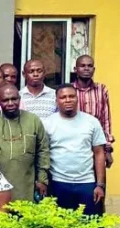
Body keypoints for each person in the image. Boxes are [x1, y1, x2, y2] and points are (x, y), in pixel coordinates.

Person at [44, 84, 106, 216]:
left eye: (71, 96)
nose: (67, 100)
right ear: (57, 101)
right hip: (58, 182)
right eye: (63, 97)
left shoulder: (92, 122)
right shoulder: (47, 123)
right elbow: (43, 153)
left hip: (87, 183)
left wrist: (100, 185)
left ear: (77, 99)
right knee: (61, 227)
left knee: (91, 225)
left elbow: (99, 153)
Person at [0, 84, 49, 202]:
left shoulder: (33, 120)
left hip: (27, 183)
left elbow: (43, 150)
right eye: (5, 100)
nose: (10, 103)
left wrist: (42, 180)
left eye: (14, 99)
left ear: (19, 99)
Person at [73, 55, 115, 168]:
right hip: (74, 145)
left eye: (90, 66)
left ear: (94, 70)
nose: (86, 68)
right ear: (75, 69)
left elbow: (105, 120)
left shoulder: (102, 89)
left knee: (98, 182)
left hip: (97, 146)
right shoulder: (69, 91)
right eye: (82, 66)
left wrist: (108, 150)